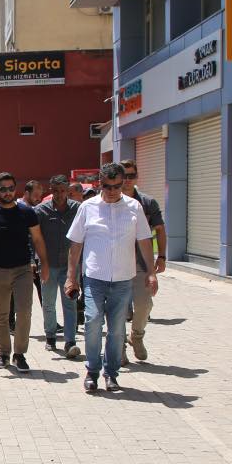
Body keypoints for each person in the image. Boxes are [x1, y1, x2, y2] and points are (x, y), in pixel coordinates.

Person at [65, 163, 158, 393]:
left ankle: (111, 374)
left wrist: (152, 273)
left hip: (123, 279)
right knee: (93, 321)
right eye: (108, 186)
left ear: (124, 183)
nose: (113, 191)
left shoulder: (134, 208)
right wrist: (71, 278)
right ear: (100, 184)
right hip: (95, 277)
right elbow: (75, 245)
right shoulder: (87, 207)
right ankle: (92, 371)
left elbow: (144, 241)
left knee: (117, 329)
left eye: (117, 186)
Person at [0, 172, 49, 371]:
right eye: (3, 189)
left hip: (23, 270)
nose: (7, 192)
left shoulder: (27, 212)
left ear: (15, 189)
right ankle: (4, 354)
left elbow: (38, 239)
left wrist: (44, 265)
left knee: (24, 312)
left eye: (10, 188)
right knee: (1, 315)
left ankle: (19, 354)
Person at [121, 159, 167, 362]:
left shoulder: (147, 202)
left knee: (144, 305)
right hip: (117, 265)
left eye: (132, 176)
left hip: (141, 264)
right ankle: (118, 346)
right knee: (117, 310)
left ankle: (136, 336)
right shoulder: (109, 201)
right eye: (124, 176)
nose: (128, 180)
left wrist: (162, 256)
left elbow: (160, 229)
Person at [33, 174, 82, 359]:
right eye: (56, 191)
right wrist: (36, 262)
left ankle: (70, 341)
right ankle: (51, 336)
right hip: (48, 265)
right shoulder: (41, 211)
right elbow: (34, 239)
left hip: (70, 267)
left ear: (68, 190)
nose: (60, 194)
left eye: (63, 191)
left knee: (70, 303)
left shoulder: (78, 209)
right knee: (48, 303)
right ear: (51, 190)